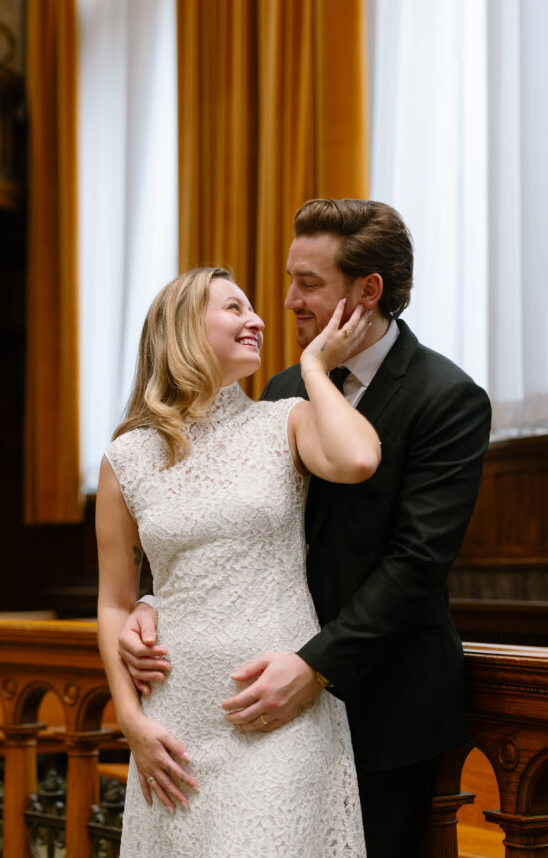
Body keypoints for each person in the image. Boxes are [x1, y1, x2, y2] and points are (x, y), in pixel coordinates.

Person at [119, 199, 492, 858]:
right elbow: (233, 518)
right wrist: (154, 603)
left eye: (309, 284)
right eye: (289, 278)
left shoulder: (446, 396)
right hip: (258, 690)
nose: (286, 300)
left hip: (382, 695)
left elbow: (415, 564)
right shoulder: (285, 388)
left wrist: (313, 666)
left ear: (367, 291)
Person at [96, 265, 380, 857]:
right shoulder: (126, 458)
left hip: (280, 709)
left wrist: (313, 369)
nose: (256, 320)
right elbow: (116, 602)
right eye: (234, 307)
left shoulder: (285, 421)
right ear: (181, 330)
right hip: (174, 723)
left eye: (252, 309)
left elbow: (357, 460)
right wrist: (130, 720)